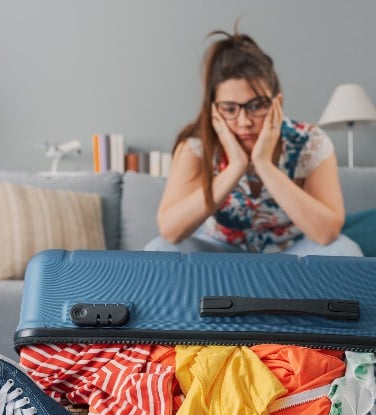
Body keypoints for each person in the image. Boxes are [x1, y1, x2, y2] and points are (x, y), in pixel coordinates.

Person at [144, 29, 362, 257]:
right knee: (159, 250)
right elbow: (170, 231)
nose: (244, 122)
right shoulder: (197, 146)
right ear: (214, 109)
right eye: (230, 109)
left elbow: (327, 233)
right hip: (220, 250)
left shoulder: (310, 142)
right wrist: (236, 166)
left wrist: (264, 164)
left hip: (293, 250)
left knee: (346, 251)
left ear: (278, 102)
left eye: (256, 106)